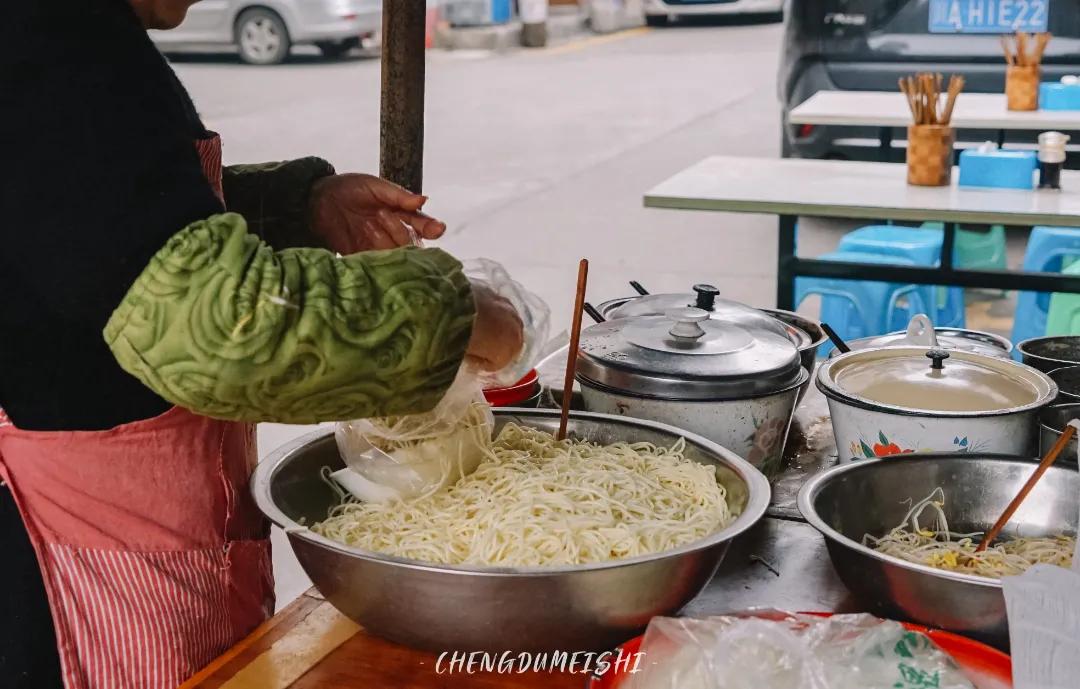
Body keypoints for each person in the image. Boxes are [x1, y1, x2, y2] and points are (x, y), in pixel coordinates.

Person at [0, 1, 524, 687]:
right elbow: (220, 329)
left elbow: (99, 217)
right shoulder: (48, 36)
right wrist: (454, 315)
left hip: (159, 531)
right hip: (79, 567)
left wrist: (297, 207)